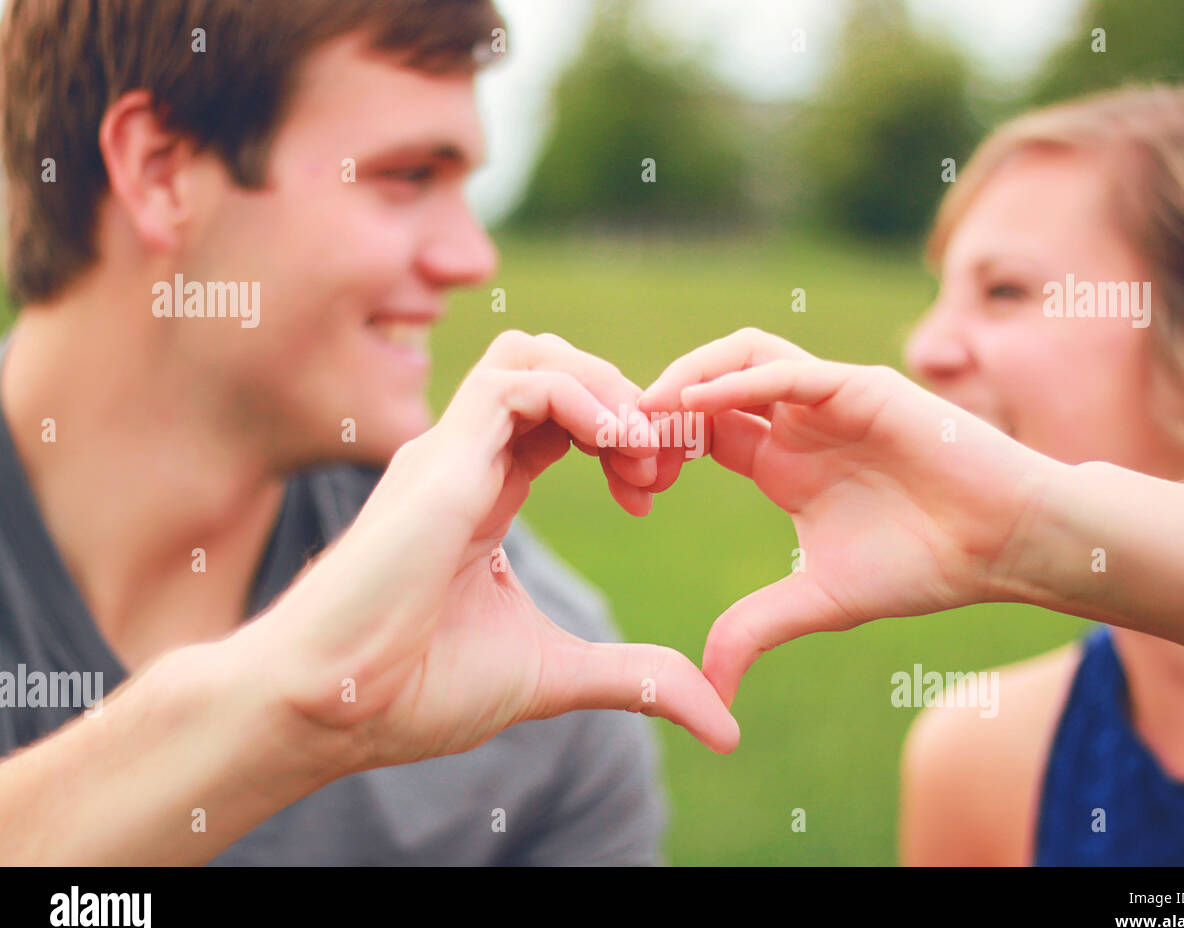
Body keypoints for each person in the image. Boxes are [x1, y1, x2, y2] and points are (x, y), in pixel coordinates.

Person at [0, 0, 703, 865]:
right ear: (161, 171)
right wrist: (280, 707)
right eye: (408, 175)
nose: (472, 258)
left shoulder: (532, 677)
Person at [640, 85, 1184, 865]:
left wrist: (1032, 523)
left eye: (1005, 291)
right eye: (940, 292)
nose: (925, 347)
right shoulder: (984, 762)